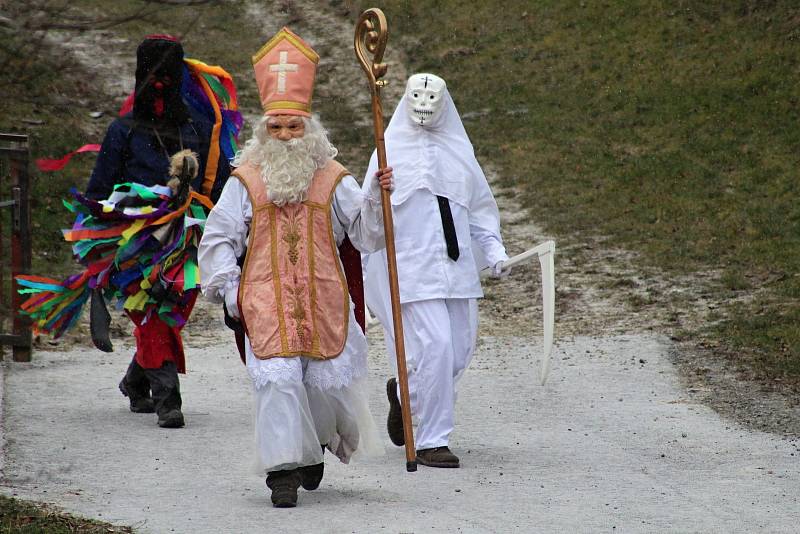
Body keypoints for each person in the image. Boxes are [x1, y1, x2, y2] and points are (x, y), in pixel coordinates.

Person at [198, 27, 391, 508]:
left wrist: (381, 199)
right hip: (265, 296)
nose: (285, 137)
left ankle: (312, 449)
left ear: (311, 131)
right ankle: (282, 472)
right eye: (277, 129)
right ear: (264, 133)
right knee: (280, 378)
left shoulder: (333, 177)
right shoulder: (246, 181)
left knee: (321, 385)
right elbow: (219, 238)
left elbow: (366, 235)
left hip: (323, 296)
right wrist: (228, 286)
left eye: (294, 128)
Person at [86, 35, 235, 428]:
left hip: (187, 243)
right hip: (134, 245)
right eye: (151, 70)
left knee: (169, 316)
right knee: (153, 316)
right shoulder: (123, 131)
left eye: (166, 70)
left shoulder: (201, 129)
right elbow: (97, 191)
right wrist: (96, 245)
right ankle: (169, 399)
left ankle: (136, 381)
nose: (159, 80)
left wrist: (228, 232)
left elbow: (219, 185)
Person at [362, 73, 509, 468]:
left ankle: (405, 396)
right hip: (413, 269)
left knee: (457, 353)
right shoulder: (387, 150)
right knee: (438, 347)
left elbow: (479, 209)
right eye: (416, 96)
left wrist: (494, 250)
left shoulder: (460, 152)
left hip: (458, 270)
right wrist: (378, 192)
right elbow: (370, 231)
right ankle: (431, 440)